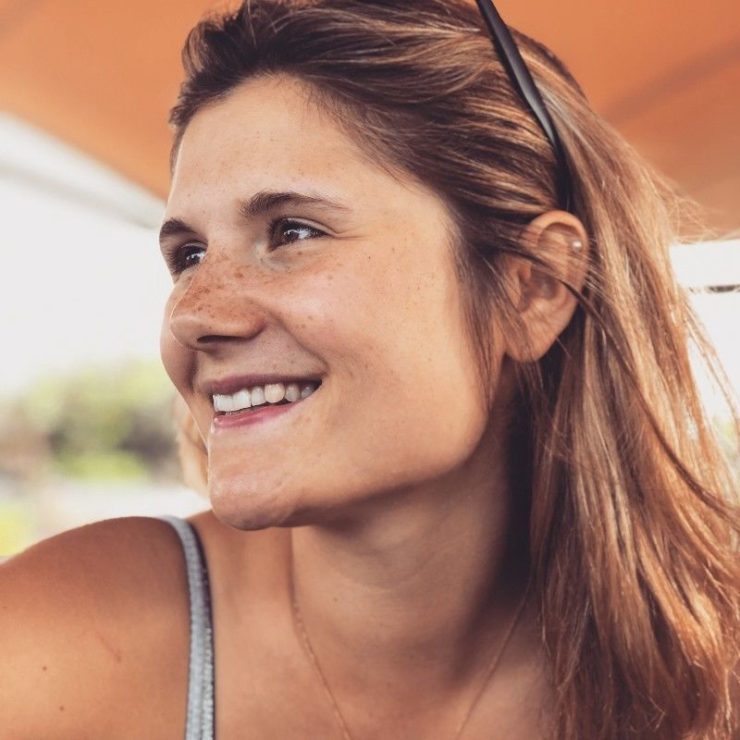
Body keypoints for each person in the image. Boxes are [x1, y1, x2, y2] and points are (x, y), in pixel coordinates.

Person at [2, 1, 738, 738]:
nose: (194, 315)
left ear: (532, 287)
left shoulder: (712, 673)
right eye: (188, 255)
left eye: (292, 231)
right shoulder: (50, 652)